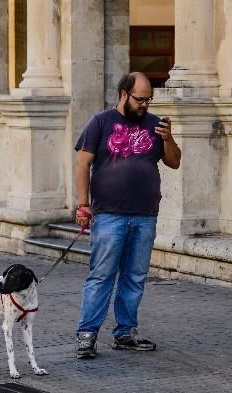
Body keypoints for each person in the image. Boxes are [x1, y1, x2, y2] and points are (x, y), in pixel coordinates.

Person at [73, 72, 181, 359]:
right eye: (140, 99)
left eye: (148, 99)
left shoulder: (155, 124)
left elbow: (174, 162)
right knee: (102, 275)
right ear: (123, 94)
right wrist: (83, 205)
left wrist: (168, 139)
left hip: (145, 214)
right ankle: (87, 334)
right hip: (109, 214)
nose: (145, 104)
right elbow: (83, 164)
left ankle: (125, 333)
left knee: (134, 276)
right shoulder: (100, 122)